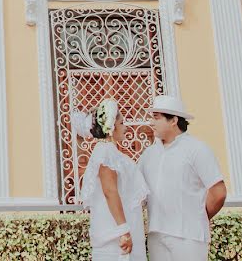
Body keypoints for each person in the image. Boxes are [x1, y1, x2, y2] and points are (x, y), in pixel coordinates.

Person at [138, 95, 227, 261]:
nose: (152, 123)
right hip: (156, 234)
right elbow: (138, 192)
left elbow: (219, 191)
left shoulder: (197, 149)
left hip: (189, 237)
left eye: (156, 118)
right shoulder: (148, 154)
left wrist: (199, 215)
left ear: (173, 120)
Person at [72, 99, 148, 260]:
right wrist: (123, 230)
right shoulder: (105, 153)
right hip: (115, 236)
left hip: (123, 230)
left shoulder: (109, 151)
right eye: (122, 123)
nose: (126, 128)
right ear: (112, 127)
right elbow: (110, 191)